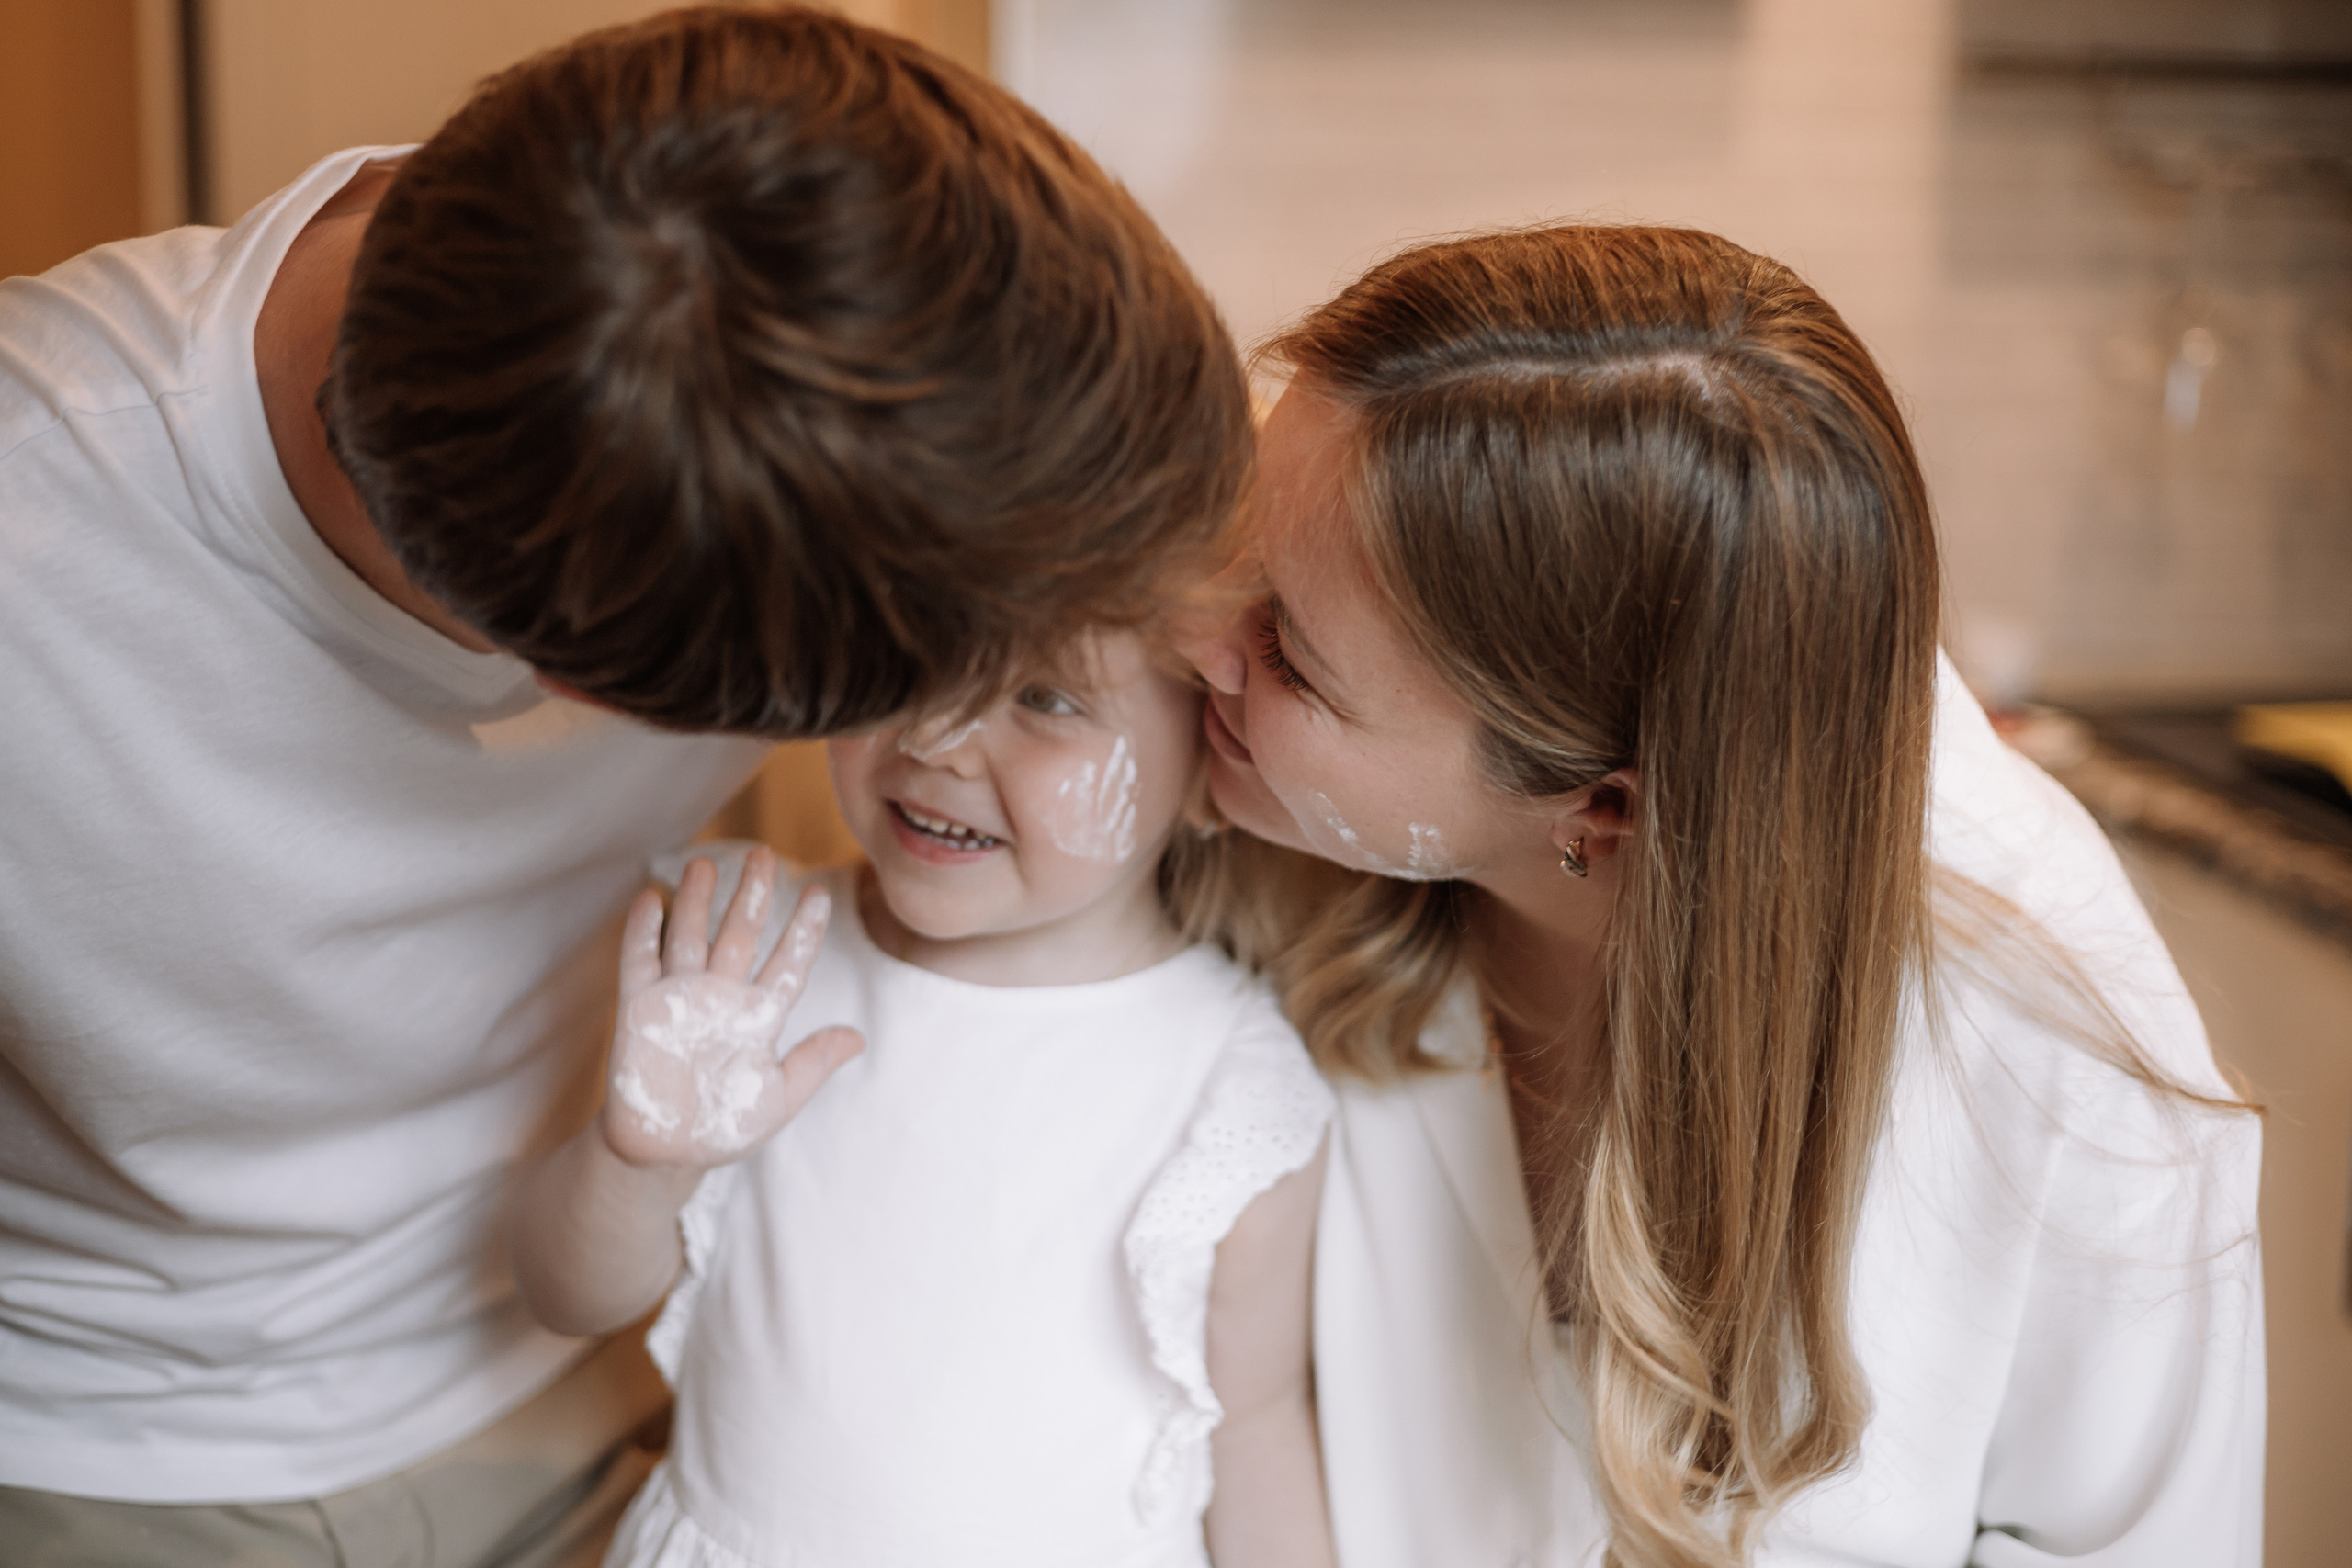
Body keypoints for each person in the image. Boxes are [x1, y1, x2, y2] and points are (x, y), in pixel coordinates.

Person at [0, 7, 1248, 1563]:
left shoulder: (809, 409)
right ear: (583, 692)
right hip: (118, 1461)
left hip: (624, 1390)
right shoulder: (37, 549)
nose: (952, 741)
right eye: (934, 695)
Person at [1179, 225, 2264, 1566]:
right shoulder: (1206, 794)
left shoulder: (2059, 1048)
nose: (1190, 634)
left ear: (1607, 807)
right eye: (1242, 542)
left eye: (1286, 651)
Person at [506, 627, 1338, 1568]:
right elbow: (563, 1295)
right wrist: (634, 1168)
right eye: (911, 653)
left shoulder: (1225, 1084)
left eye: (1045, 699)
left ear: (1211, 761)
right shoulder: (742, 969)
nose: (936, 738)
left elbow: (1255, 1429)